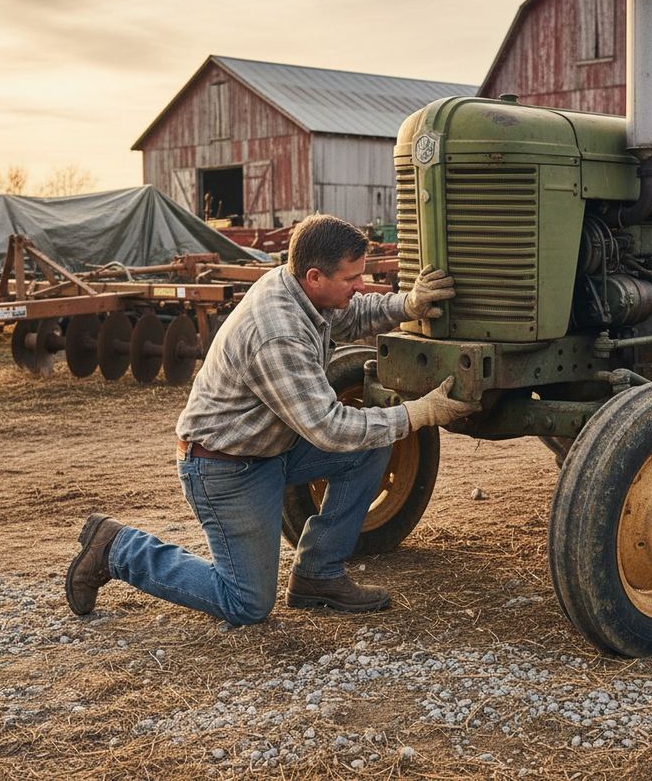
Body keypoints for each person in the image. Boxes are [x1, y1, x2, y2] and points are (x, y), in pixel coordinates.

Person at [65, 214, 479, 624]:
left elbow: (350, 314)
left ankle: (318, 575)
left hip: (269, 448)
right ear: (315, 276)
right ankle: (117, 548)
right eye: (352, 278)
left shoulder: (298, 285)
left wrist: (407, 304)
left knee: (370, 447)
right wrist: (418, 413)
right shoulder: (277, 332)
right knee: (246, 603)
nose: (361, 285)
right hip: (224, 467)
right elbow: (330, 427)